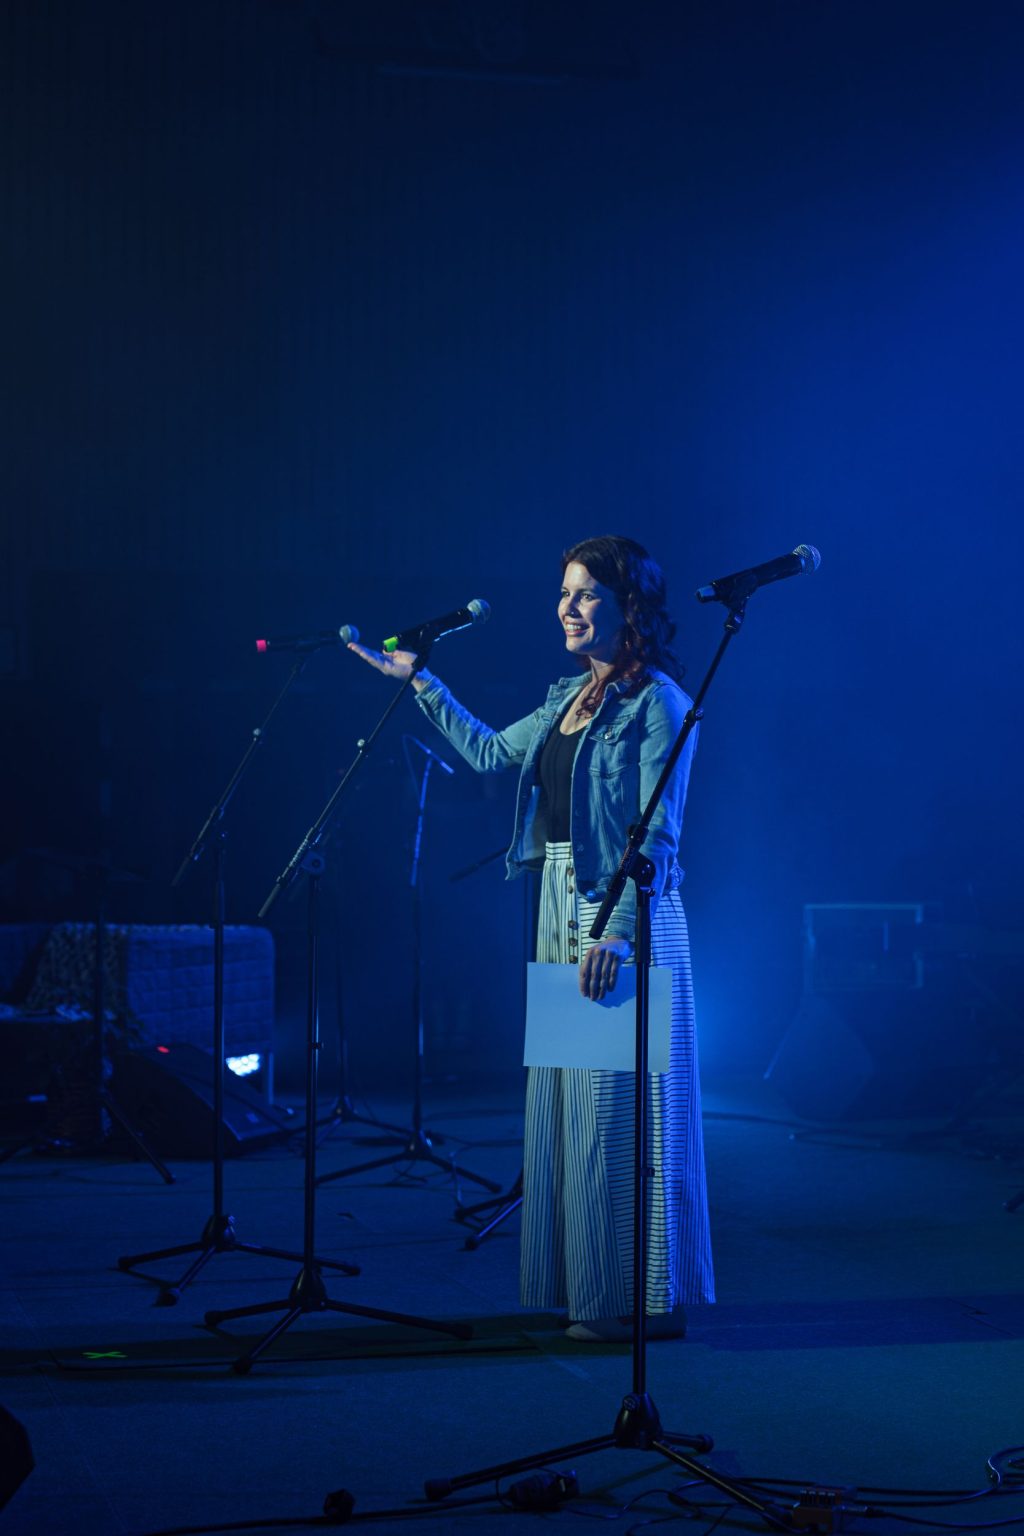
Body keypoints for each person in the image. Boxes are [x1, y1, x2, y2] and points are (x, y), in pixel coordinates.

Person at [349, 534, 714, 1340]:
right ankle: (595, 1289)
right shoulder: (567, 699)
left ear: (629, 607)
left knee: (620, 1115)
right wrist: (421, 683)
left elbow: (658, 832)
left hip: (617, 912)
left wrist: (616, 931)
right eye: (564, 593)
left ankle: (643, 1301)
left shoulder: (659, 703)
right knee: (573, 1114)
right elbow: (488, 754)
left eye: (587, 594)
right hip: (558, 900)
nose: (568, 609)